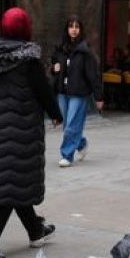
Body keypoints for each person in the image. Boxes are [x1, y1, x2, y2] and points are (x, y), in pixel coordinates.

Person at [0, 7, 64, 249]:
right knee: (8, 188)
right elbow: (43, 91)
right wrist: (56, 115)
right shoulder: (29, 61)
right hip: (22, 136)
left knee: (11, 183)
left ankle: (36, 230)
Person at [50, 16, 104, 167]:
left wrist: (99, 97)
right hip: (62, 92)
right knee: (67, 124)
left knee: (72, 125)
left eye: (77, 27)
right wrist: (53, 68)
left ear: (81, 30)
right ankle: (81, 144)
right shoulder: (60, 49)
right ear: (66, 29)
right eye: (71, 27)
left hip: (78, 94)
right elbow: (53, 66)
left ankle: (67, 155)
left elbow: (93, 75)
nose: (74, 30)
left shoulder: (85, 51)